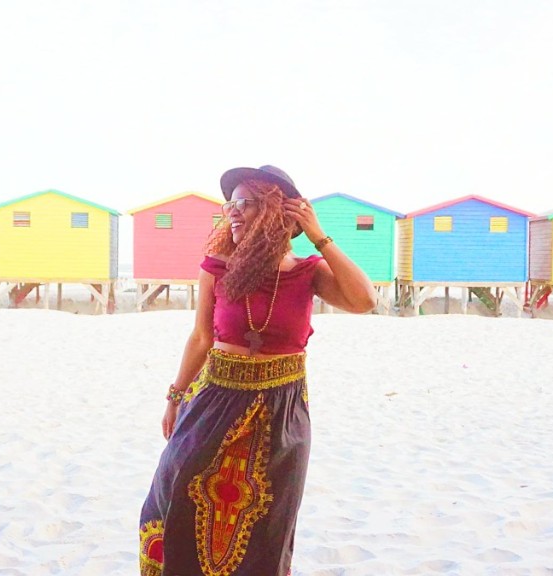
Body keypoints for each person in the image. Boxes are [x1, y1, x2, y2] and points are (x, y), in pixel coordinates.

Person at [139, 165, 377, 576]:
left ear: (274, 211)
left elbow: (364, 300)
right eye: (229, 205)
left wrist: (319, 236)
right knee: (174, 498)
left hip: (280, 414)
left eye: (244, 203)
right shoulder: (217, 268)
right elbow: (201, 338)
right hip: (214, 401)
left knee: (266, 529)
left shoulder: (307, 272)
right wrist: (175, 397)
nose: (232, 212)